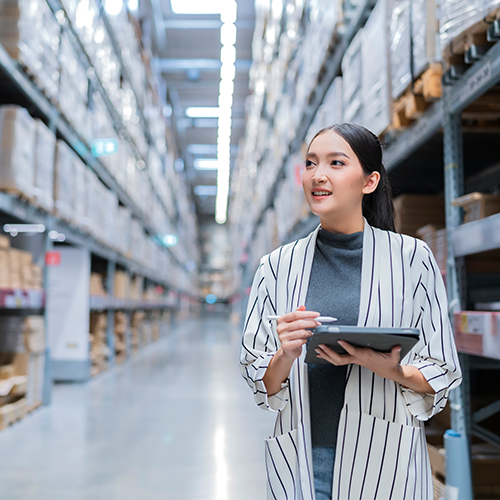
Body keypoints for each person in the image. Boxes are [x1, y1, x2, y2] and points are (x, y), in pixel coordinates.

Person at [240, 123, 462, 500]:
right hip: (306, 460)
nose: (318, 175)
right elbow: (261, 380)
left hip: (386, 460)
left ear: (369, 181)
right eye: (310, 164)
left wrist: (390, 369)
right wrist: (285, 354)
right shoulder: (276, 267)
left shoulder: (412, 260)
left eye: (336, 163)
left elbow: (442, 369)